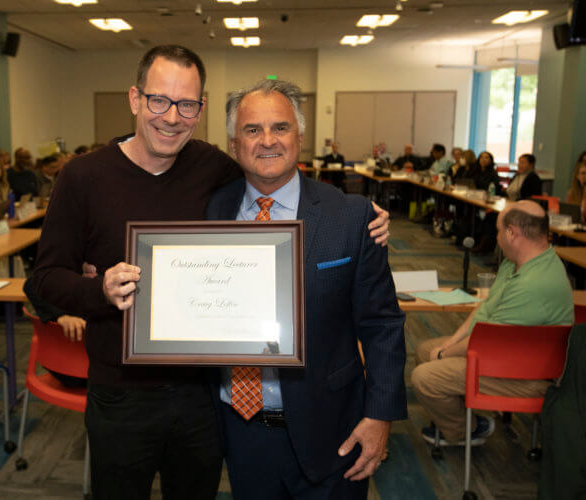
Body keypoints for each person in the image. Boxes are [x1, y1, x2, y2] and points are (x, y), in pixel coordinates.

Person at [31, 45, 390, 499]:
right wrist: (97, 289)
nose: (171, 116)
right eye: (159, 100)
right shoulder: (83, 177)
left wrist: (361, 215)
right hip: (122, 394)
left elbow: (276, 173)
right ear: (135, 99)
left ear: (199, 110)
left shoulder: (214, 169)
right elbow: (42, 280)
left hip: (201, 396)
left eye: (186, 104)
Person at [208, 79, 406, 499]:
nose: (267, 141)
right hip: (239, 429)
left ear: (299, 137)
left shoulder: (351, 216)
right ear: (232, 144)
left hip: (332, 426)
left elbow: (382, 325)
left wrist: (380, 415)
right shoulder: (210, 210)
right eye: (252, 130)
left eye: (280, 128)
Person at [412, 200, 573, 447]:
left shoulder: (534, 284)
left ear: (512, 233)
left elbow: (484, 343)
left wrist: (444, 354)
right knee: (425, 351)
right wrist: (450, 345)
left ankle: (466, 431)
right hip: (505, 353)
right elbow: (483, 310)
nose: (495, 237)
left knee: (424, 376)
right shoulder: (516, 262)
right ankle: (461, 418)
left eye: (498, 230)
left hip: (527, 373)